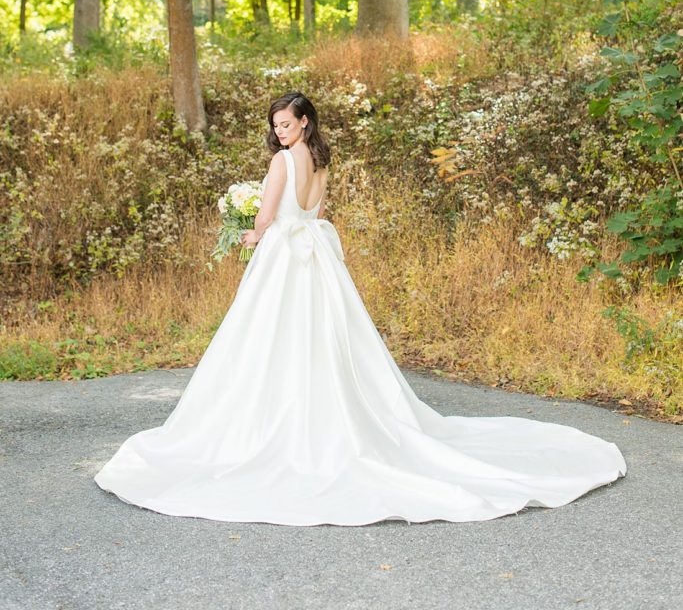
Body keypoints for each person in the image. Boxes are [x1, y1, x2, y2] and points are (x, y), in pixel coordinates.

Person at [94, 90, 627, 526]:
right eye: (276, 125)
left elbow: (266, 216)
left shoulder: (283, 161)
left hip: (284, 257)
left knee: (267, 340)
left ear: (304, 123)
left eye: (286, 123)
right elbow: (315, 211)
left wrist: (249, 235)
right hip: (314, 257)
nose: (280, 132)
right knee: (320, 339)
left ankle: (274, 426)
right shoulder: (322, 161)